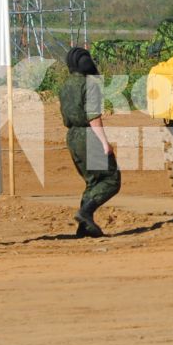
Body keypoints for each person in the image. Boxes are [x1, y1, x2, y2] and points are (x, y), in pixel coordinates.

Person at [59, 46, 120, 237]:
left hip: (72, 136)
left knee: (92, 181)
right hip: (88, 135)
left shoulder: (65, 85)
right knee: (111, 179)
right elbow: (93, 117)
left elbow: (65, 117)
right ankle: (85, 212)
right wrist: (104, 142)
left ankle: (83, 227)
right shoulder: (90, 84)